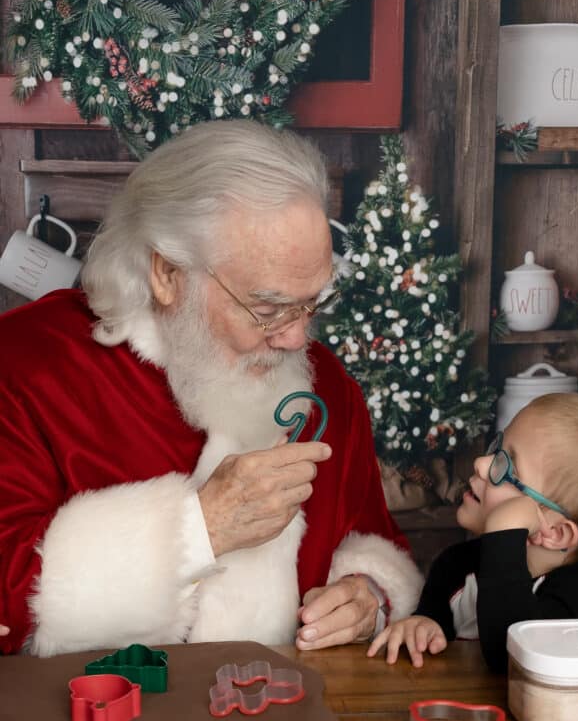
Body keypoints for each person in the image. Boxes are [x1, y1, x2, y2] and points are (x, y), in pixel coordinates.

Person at [0, 120, 423, 656]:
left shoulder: (328, 387)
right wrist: (199, 529)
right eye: (267, 309)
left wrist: (369, 594)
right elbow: (9, 604)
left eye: (311, 303)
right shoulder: (23, 366)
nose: (297, 338)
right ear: (167, 274)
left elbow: (372, 536)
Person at [368, 392, 578, 670]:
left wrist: (504, 529)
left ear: (554, 532)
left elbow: (509, 658)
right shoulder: (454, 564)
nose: (481, 464)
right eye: (497, 448)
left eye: (506, 469)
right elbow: (433, 627)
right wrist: (422, 624)